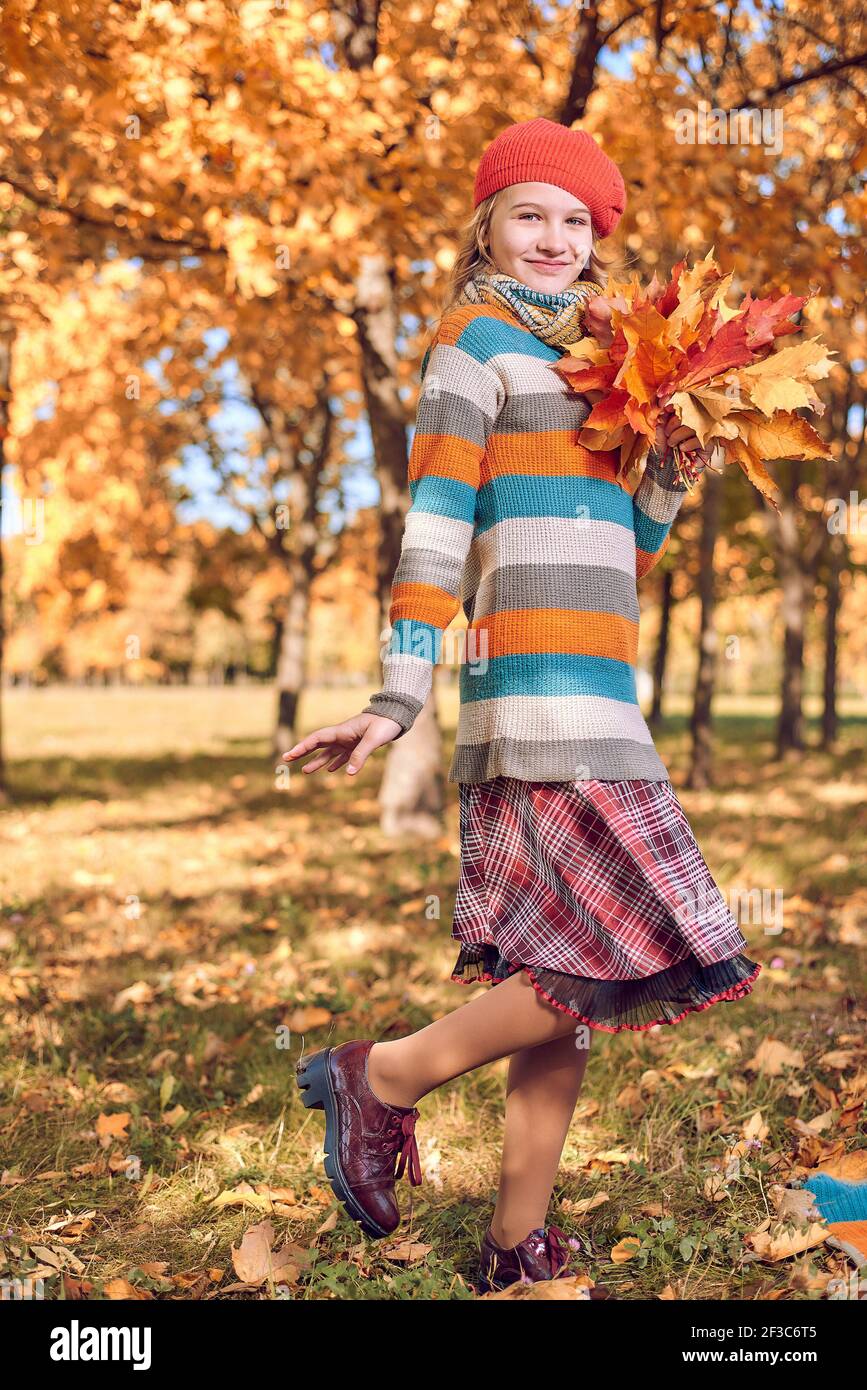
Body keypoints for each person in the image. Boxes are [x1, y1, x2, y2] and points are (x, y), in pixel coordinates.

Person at [285, 116, 761, 1295]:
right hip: (531, 697)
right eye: (528, 214)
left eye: (573, 220)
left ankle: (514, 1244)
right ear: (488, 225)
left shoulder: (613, 362)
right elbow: (437, 526)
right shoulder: (474, 345)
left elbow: (622, 553)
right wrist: (401, 693)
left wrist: (669, 467)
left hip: (604, 687)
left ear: (596, 239)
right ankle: (383, 1076)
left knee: (567, 988)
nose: (552, 237)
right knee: (609, 953)